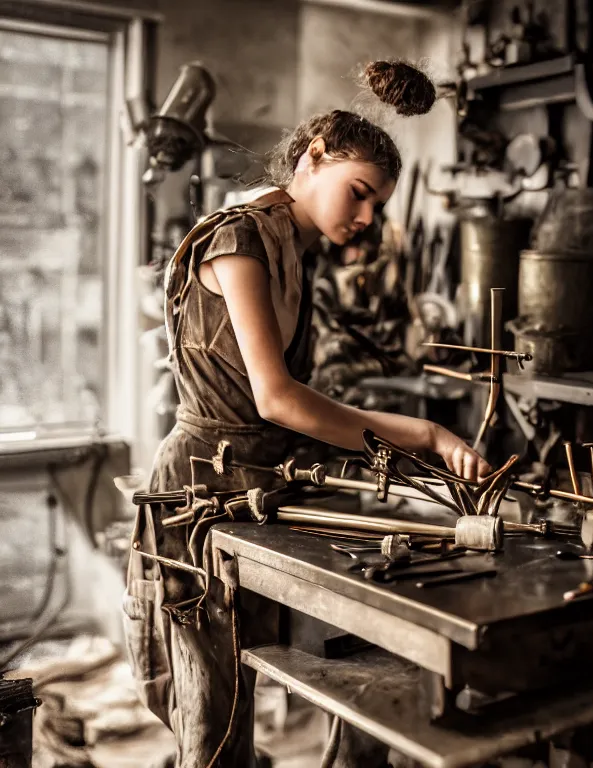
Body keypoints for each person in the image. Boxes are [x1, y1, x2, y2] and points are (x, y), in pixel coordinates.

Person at [123, 61, 491, 768]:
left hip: (268, 486)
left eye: (378, 204)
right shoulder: (239, 240)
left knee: (356, 665)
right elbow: (278, 399)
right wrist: (426, 434)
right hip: (205, 488)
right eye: (360, 194)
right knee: (216, 721)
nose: (367, 217)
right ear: (314, 159)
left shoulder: (297, 248)